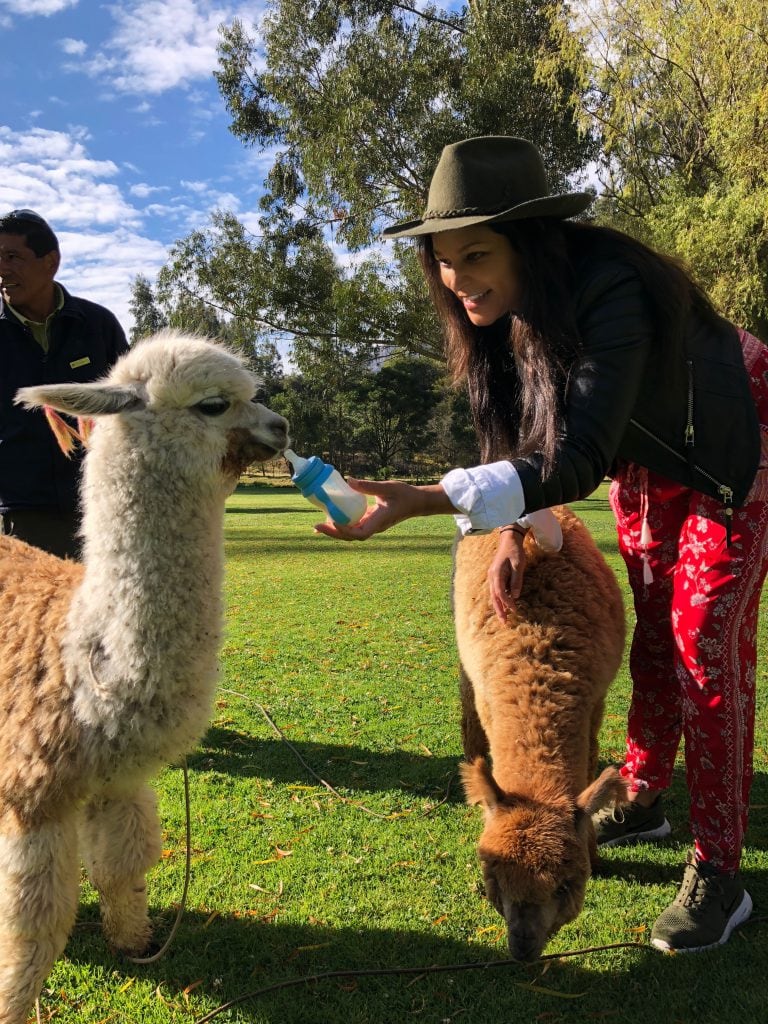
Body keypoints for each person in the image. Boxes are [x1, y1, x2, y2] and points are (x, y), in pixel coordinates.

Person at [315, 136, 768, 954]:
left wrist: (433, 498)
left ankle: (721, 872)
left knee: (704, 647)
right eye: (443, 261)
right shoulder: (502, 318)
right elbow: (521, 444)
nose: (457, 280)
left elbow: (577, 453)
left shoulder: (610, 288)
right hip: (651, 453)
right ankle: (642, 798)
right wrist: (516, 526)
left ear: (531, 242)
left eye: (476, 254)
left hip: (734, 444)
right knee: (653, 641)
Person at [0, 208, 129, 559]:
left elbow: (135, 411)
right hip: (18, 514)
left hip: (98, 508)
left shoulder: (97, 325)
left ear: (50, 261)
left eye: (12, 257)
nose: (2, 270)